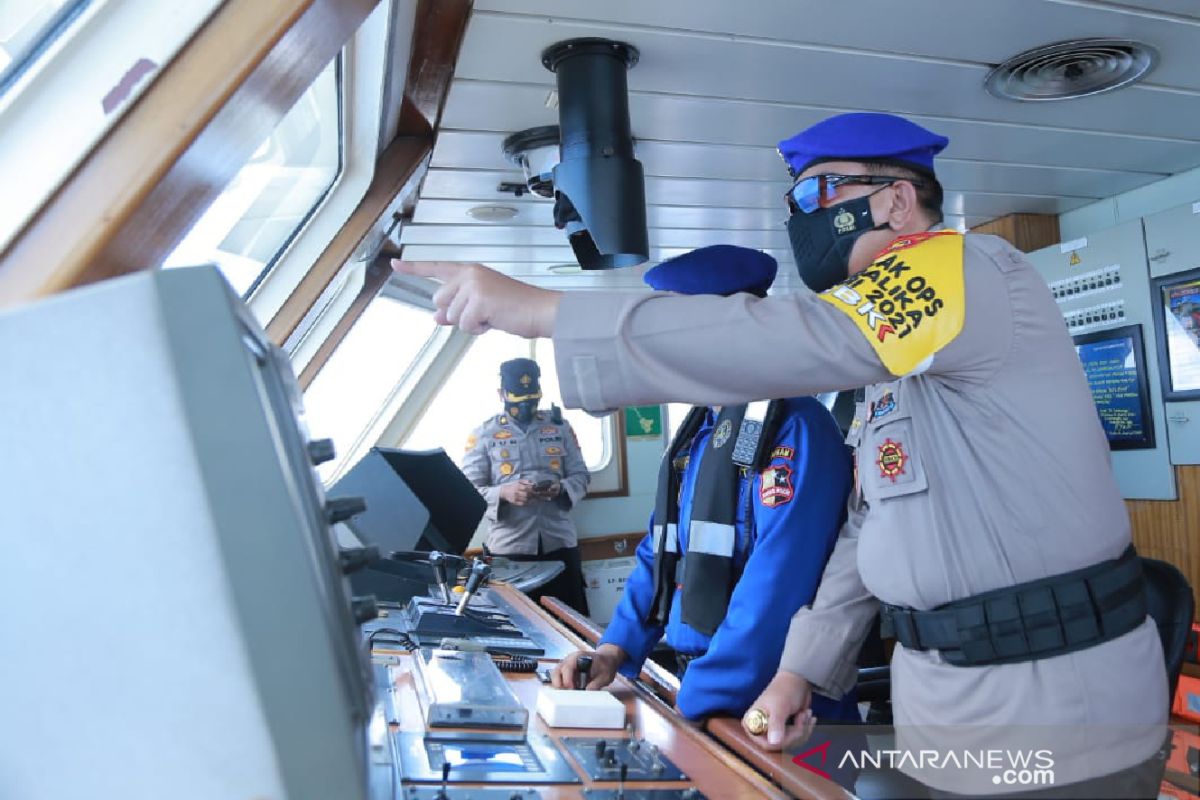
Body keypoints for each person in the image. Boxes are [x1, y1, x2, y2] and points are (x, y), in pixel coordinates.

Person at [397, 111, 1166, 799]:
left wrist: (542, 311)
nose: (801, 219)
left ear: (896, 201)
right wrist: (803, 667)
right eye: (793, 201)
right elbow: (872, 531)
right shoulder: (900, 370)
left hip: (1054, 723)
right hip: (945, 709)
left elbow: (804, 337)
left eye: (816, 197)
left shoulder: (964, 266)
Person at [550, 245, 861, 729]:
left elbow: (776, 589)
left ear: (721, 335)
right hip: (704, 684)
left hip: (776, 707)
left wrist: (695, 703)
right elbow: (662, 550)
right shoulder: (701, 432)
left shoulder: (795, 430)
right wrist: (613, 649)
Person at [461, 357, 591, 614]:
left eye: (532, 400)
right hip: (509, 550)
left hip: (560, 545)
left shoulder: (559, 428)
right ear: (502, 394)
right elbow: (467, 493)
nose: (526, 407)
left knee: (571, 626)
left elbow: (581, 476)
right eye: (519, 401)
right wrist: (504, 493)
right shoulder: (484, 434)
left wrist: (561, 488)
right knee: (518, 628)